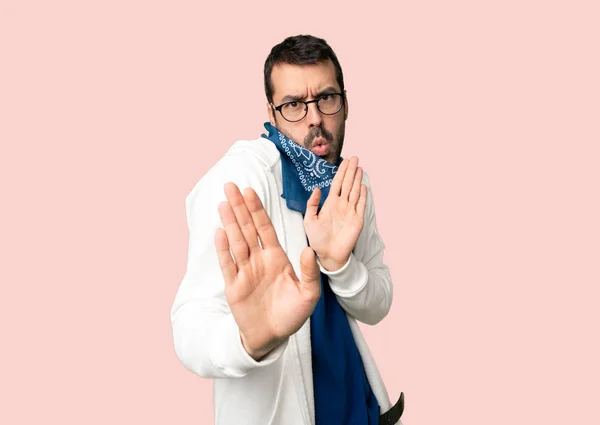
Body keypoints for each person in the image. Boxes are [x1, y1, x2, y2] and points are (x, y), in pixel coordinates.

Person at [170, 34, 404, 425]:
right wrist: (249, 339)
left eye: (326, 98)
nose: (314, 117)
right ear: (272, 111)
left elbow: (378, 304)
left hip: (358, 410)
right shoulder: (238, 179)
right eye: (294, 104)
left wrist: (340, 265)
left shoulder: (350, 186)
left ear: (345, 103)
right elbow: (189, 327)